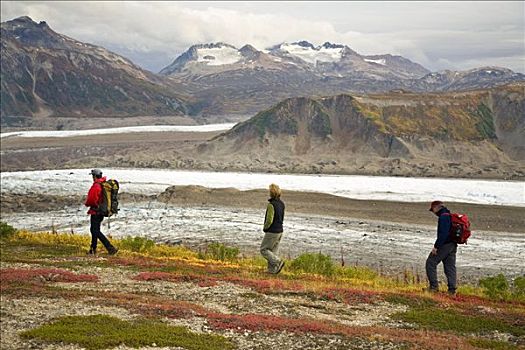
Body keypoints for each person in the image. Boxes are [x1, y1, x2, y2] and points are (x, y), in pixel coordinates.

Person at [425, 200, 456, 295]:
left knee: (430, 263)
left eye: (433, 210)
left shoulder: (443, 217)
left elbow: (443, 234)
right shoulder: (449, 215)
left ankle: (433, 287)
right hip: (453, 244)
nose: (433, 213)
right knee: (450, 267)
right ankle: (452, 290)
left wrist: (436, 247)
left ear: (436, 208)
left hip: (445, 245)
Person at [85, 169, 118, 256]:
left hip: (96, 211)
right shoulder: (102, 184)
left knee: (95, 230)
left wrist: (87, 204)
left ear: (94, 176)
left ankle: (111, 248)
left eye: (92, 176)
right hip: (101, 211)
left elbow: (92, 199)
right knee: (95, 230)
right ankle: (93, 249)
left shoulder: (96, 186)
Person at [260, 183, 285, 274]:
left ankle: (278, 261)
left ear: (271, 193)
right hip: (280, 230)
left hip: (272, 231)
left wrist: (265, 228)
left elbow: (269, 219)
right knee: (273, 251)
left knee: (264, 250)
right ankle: (272, 270)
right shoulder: (282, 204)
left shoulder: (271, 205)